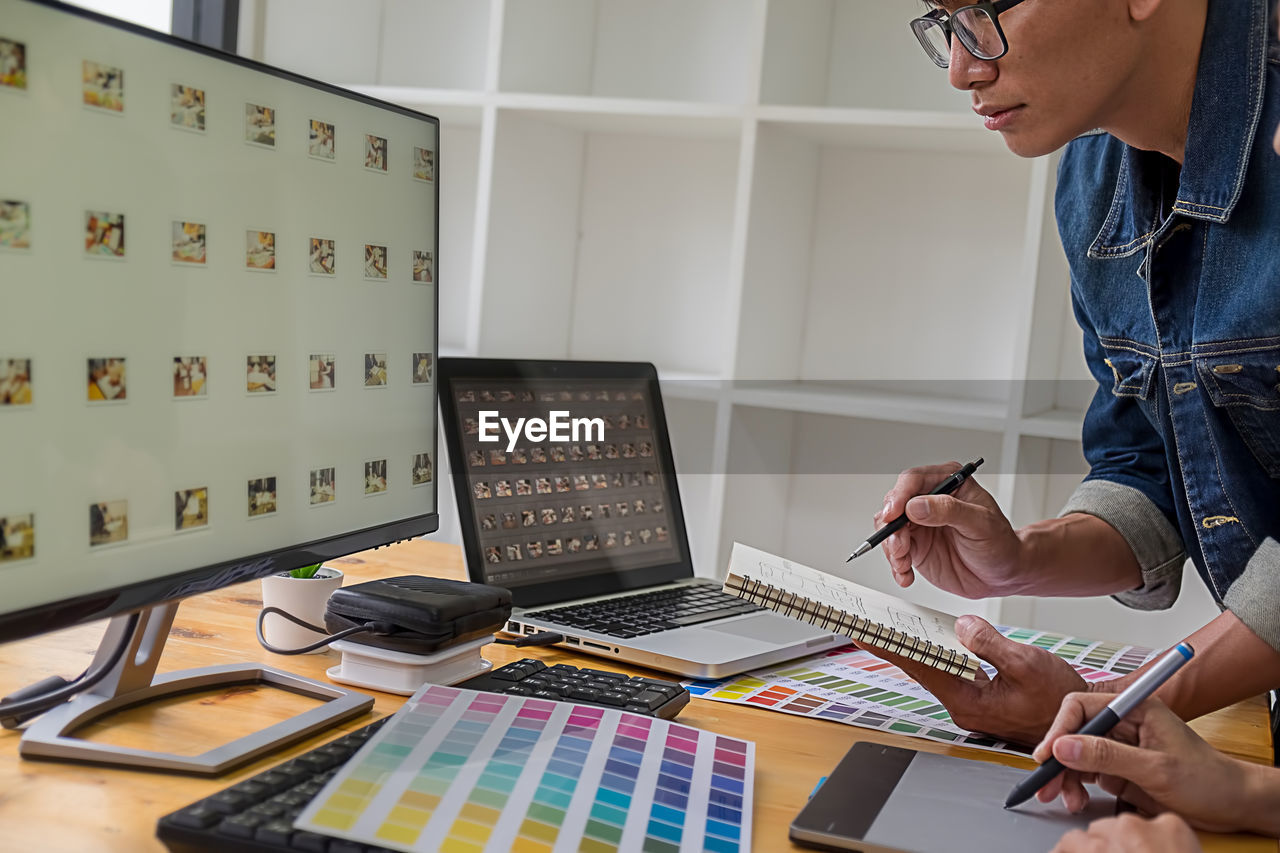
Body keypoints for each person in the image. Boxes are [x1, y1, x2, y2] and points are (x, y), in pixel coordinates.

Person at [864, 0, 1280, 759]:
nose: (963, 68)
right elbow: (1150, 466)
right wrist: (1023, 554)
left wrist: (1117, 714)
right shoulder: (1092, 179)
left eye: (983, 11)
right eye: (943, 23)